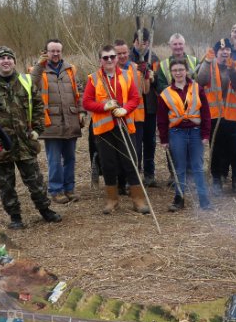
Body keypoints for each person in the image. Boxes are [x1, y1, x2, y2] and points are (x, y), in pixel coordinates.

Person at [0, 46, 62, 229]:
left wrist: (37, 130)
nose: (5, 61)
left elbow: (39, 107)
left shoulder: (26, 82)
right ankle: (15, 217)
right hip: (0, 146)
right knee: (6, 185)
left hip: (25, 142)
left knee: (35, 180)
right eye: (1, 58)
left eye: (9, 58)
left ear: (14, 62)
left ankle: (45, 210)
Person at [83, 44, 149, 214]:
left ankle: (138, 199)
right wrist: (104, 106)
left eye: (112, 56)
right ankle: (112, 200)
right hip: (104, 130)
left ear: (117, 58)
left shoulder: (127, 76)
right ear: (100, 60)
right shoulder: (94, 78)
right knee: (108, 164)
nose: (110, 60)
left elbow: (135, 98)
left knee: (131, 162)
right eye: (106, 57)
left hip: (125, 126)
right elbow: (86, 102)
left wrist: (126, 109)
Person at [31, 39, 86, 204]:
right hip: (50, 123)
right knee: (54, 159)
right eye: (52, 51)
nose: (55, 54)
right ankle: (56, 190)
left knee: (70, 158)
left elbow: (80, 91)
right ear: (45, 52)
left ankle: (69, 189)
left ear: (61, 52)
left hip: (71, 120)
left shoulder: (70, 69)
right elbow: (31, 86)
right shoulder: (38, 70)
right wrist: (39, 65)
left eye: (58, 51)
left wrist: (82, 111)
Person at [156, 57, 213, 211]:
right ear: (171, 73)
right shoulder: (165, 94)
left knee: (197, 167)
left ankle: (204, 200)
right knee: (179, 167)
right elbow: (161, 119)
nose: (178, 73)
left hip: (195, 132)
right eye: (175, 70)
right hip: (176, 133)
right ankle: (179, 199)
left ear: (186, 70)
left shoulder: (197, 89)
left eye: (181, 69)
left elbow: (206, 113)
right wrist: (164, 139)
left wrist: (206, 134)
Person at [198, 38, 236, 193]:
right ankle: (217, 179)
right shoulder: (209, 65)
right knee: (216, 148)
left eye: (228, 49)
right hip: (214, 115)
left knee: (234, 150)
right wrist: (206, 61)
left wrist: (231, 70)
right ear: (216, 51)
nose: (225, 52)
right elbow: (200, 81)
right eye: (222, 49)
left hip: (233, 115)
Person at [127, 29, 163, 187]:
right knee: (135, 143)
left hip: (150, 107)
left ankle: (149, 174)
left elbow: (159, 82)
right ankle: (134, 176)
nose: (142, 44)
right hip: (133, 109)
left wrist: (151, 76)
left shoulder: (154, 58)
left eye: (146, 42)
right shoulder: (127, 58)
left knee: (150, 141)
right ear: (134, 41)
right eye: (139, 41)